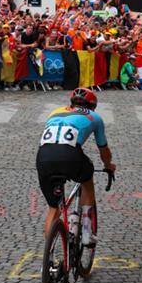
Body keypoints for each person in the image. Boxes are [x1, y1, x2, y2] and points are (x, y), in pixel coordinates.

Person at [35, 87, 116, 246]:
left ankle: (49, 254)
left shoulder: (55, 112)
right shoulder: (94, 117)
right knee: (87, 177)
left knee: (53, 207)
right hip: (70, 156)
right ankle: (86, 232)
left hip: (43, 157)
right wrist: (108, 165)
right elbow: (103, 149)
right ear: (92, 106)